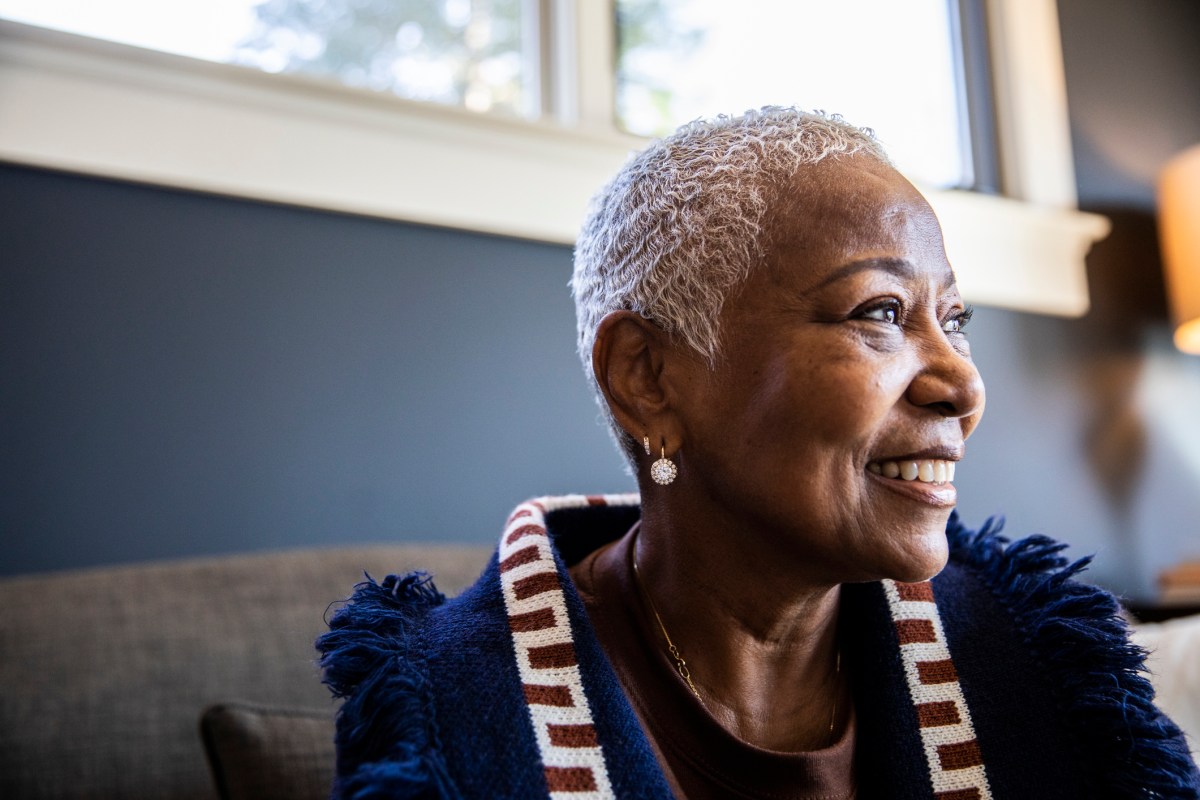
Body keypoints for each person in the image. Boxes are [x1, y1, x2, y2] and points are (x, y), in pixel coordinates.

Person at [318, 107, 1200, 799]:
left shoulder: (1036, 667)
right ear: (649, 377)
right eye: (881, 312)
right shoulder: (451, 717)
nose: (962, 387)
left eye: (955, 321)